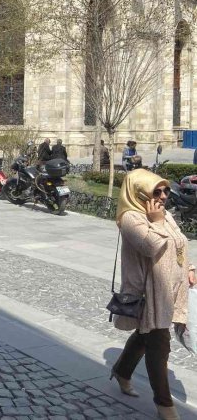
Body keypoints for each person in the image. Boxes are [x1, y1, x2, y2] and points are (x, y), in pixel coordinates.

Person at [109, 169, 195, 420]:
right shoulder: (131, 218)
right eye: (156, 191)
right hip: (149, 292)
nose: (164, 195)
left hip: (170, 286)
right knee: (159, 343)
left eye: (166, 190)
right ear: (139, 192)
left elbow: (178, 242)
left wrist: (189, 267)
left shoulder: (162, 213)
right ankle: (164, 404)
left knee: (144, 335)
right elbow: (151, 246)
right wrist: (156, 221)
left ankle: (122, 371)